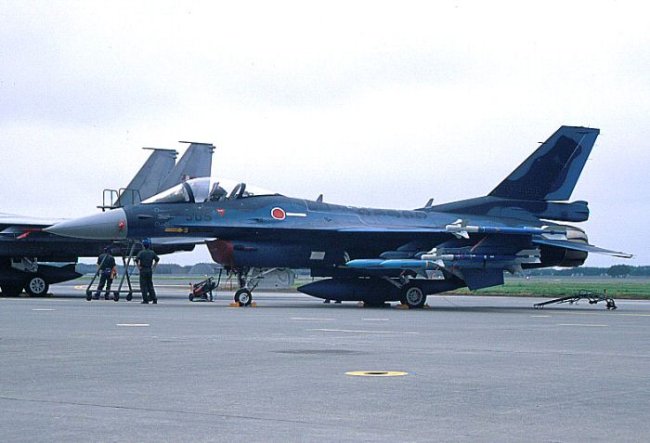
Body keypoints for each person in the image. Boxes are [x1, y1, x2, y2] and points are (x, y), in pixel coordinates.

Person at [135, 238, 160, 304]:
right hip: (149, 270)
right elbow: (157, 259)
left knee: (143, 286)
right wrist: (153, 267)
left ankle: (145, 300)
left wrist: (139, 267)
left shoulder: (141, 252)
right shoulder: (152, 252)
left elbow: (136, 260)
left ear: (143, 245)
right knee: (150, 285)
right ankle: (154, 299)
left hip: (143, 270)